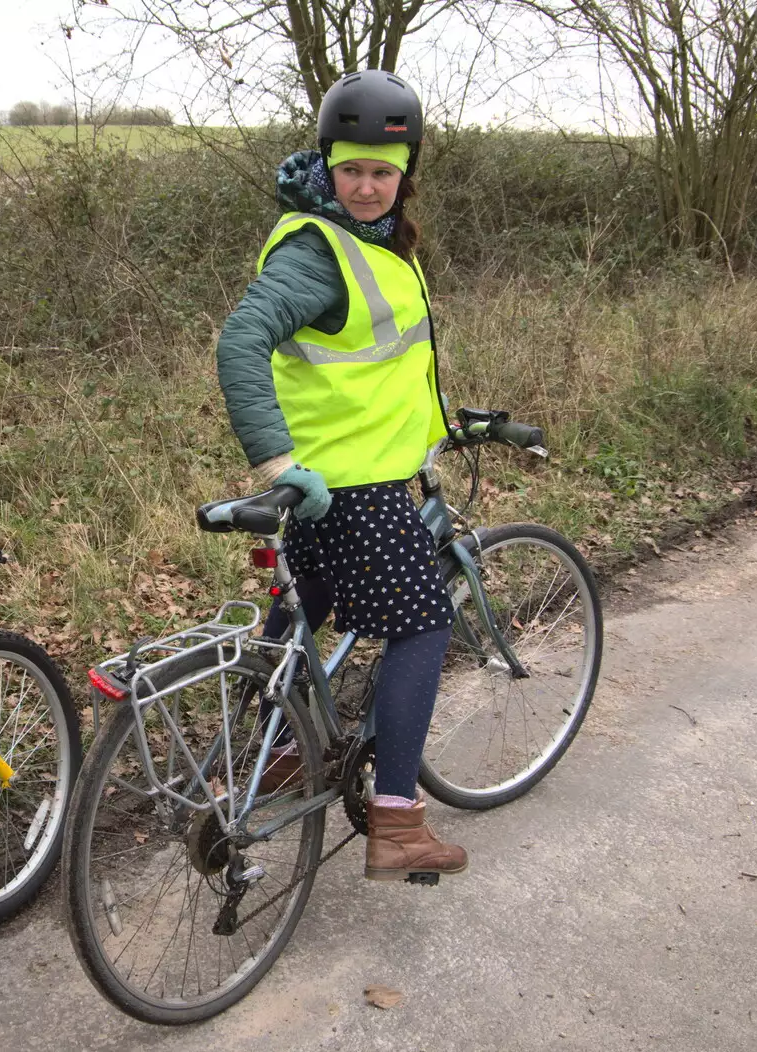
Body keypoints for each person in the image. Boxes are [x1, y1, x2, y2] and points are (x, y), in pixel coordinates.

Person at [215, 71, 467, 880]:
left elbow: (374, 364)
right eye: (351, 169)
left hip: (334, 484)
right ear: (326, 166)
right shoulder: (318, 251)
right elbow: (239, 343)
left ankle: (279, 750)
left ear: (405, 175)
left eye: (381, 172)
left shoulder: (371, 243)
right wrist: (276, 460)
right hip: (351, 489)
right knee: (423, 626)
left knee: (305, 613)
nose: (364, 186)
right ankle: (397, 822)